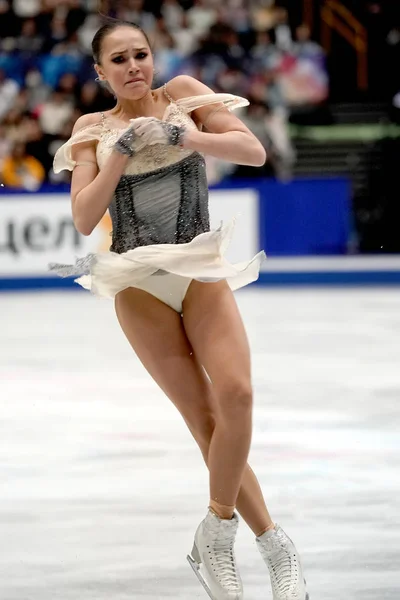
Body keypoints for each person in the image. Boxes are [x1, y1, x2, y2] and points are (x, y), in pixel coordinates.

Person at [50, 18, 309, 600]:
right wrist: (117, 154)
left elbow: (253, 150)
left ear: (154, 55)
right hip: (138, 282)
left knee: (238, 394)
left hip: (198, 265)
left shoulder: (185, 95)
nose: (133, 66)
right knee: (207, 422)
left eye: (140, 53)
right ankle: (272, 542)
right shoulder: (91, 128)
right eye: (118, 60)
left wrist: (185, 137)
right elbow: (85, 218)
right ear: (100, 72)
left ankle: (216, 532)